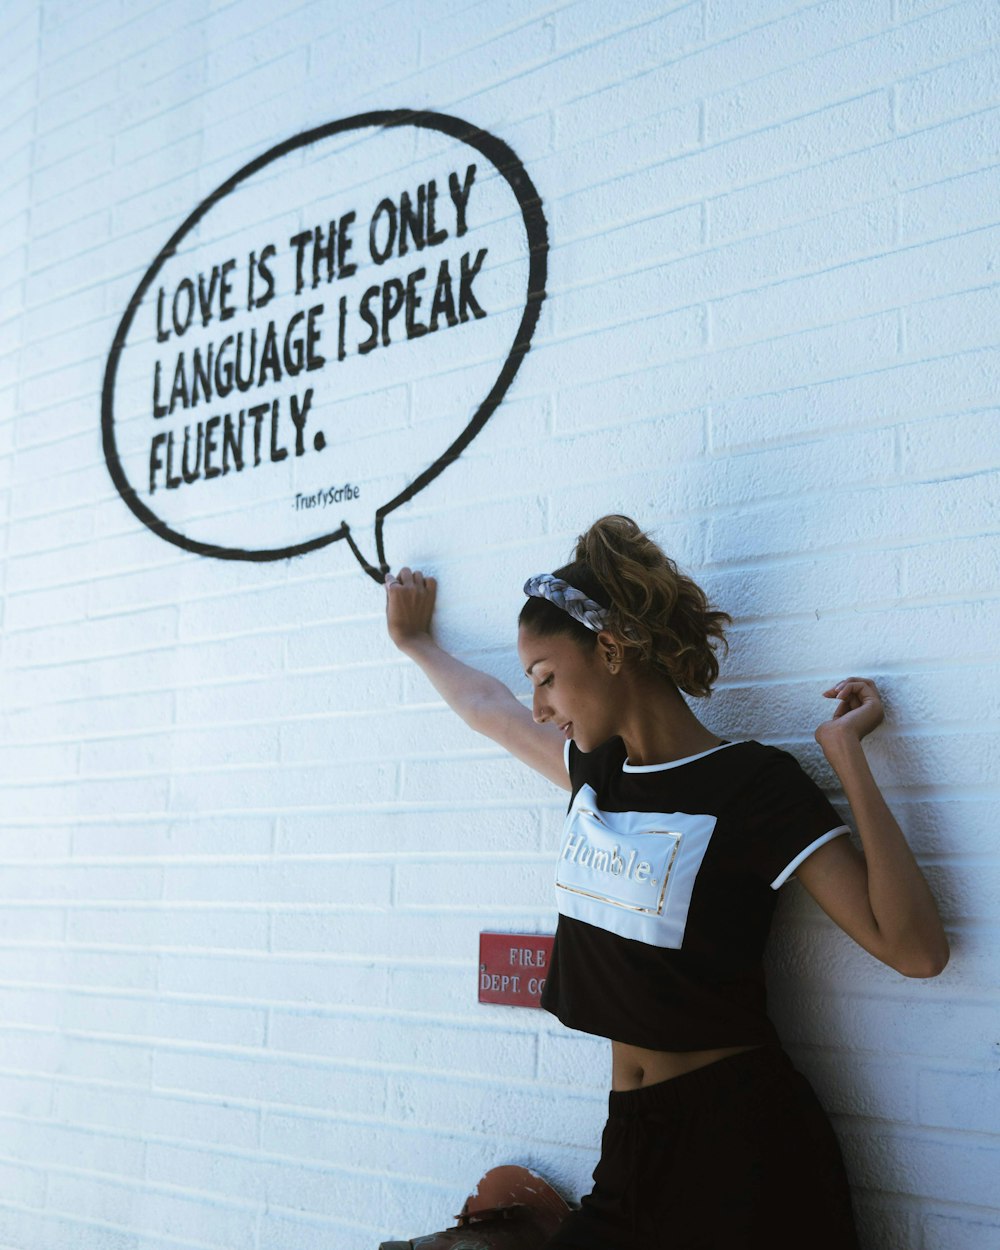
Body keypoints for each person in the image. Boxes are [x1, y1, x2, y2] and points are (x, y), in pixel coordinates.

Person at [383, 515, 948, 1249]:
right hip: (630, 1144)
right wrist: (417, 643)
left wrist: (846, 757)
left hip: (741, 1148)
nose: (540, 706)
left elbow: (914, 950)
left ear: (611, 650)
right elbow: (489, 710)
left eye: (547, 678)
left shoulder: (752, 786)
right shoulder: (597, 774)